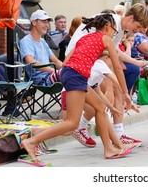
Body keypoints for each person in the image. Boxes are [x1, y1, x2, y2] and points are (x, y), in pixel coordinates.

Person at [21, 14, 133, 163]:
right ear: (107, 27)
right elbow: (117, 68)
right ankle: (31, 142)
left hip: (70, 73)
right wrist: (125, 93)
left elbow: (67, 61)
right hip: (76, 75)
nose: (115, 34)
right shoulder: (106, 39)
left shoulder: (84, 38)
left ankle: (109, 149)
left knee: (99, 107)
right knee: (72, 123)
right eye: (115, 30)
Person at [65, 3, 148, 145]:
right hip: (79, 62)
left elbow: (114, 53)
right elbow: (114, 60)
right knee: (99, 105)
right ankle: (116, 140)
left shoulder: (118, 27)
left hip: (85, 61)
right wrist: (125, 93)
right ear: (130, 18)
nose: (139, 31)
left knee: (98, 107)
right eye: (139, 26)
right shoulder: (110, 24)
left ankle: (113, 140)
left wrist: (135, 63)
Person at [19, 10, 63, 86]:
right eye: (43, 22)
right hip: (41, 80)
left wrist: (68, 68)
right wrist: (54, 71)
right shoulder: (26, 41)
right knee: (73, 78)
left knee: (76, 74)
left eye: (47, 22)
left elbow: (56, 61)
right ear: (34, 22)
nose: (47, 25)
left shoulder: (42, 41)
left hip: (50, 76)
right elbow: (31, 61)